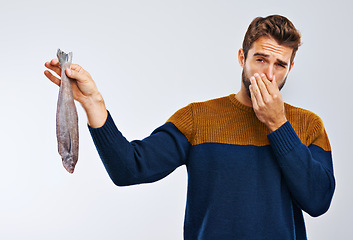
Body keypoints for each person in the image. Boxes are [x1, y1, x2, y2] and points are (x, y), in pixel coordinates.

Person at [44, 15, 335, 240]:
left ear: (291, 67)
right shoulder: (198, 117)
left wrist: (277, 124)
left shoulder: (308, 124)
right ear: (241, 58)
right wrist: (93, 101)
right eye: (260, 59)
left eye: (280, 65)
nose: (269, 75)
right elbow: (128, 169)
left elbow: (319, 201)